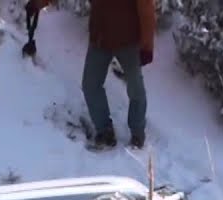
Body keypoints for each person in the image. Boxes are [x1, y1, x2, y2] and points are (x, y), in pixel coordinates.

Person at [30, 0, 156, 149]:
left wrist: (147, 45)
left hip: (128, 41)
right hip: (100, 39)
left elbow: (146, 7)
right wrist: (37, 3)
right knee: (90, 85)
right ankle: (104, 131)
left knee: (135, 88)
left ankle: (137, 132)